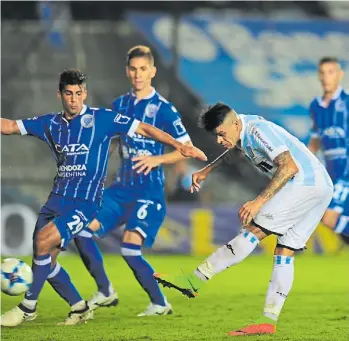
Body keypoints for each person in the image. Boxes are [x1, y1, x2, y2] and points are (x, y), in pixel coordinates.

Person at [0, 69, 206, 327]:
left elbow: (143, 128)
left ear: (84, 94)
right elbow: (8, 126)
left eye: (78, 93)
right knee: (45, 259)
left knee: (44, 241)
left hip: (85, 203)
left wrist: (180, 146)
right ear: (60, 94)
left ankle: (27, 307)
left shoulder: (103, 119)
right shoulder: (49, 123)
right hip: (56, 200)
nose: (74, 99)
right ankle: (79, 306)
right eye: (68, 94)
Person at [155, 102, 333, 336]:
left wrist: (258, 202)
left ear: (235, 123)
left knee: (252, 230)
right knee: (284, 251)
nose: (219, 140)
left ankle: (195, 279)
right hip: (322, 187)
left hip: (303, 183)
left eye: (221, 134)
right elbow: (235, 151)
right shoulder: (243, 130)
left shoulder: (258, 131)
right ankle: (268, 320)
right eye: (216, 135)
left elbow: (288, 167)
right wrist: (206, 170)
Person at [86, 45, 197, 316]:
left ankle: (160, 303)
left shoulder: (164, 110)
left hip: (149, 191)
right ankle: (104, 290)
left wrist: (157, 160)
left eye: (143, 69)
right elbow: (111, 142)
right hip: (120, 189)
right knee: (82, 230)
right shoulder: (119, 105)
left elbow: (188, 148)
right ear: (127, 71)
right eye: (133, 69)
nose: (138, 74)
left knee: (129, 248)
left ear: (153, 71)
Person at [308, 56, 349, 243]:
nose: (326, 77)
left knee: (329, 218)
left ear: (339, 75)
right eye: (322, 73)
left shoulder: (347, 102)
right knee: (330, 219)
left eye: (330, 72)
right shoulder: (315, 106)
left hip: (346, 172)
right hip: (330, 173)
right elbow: (315, 139)